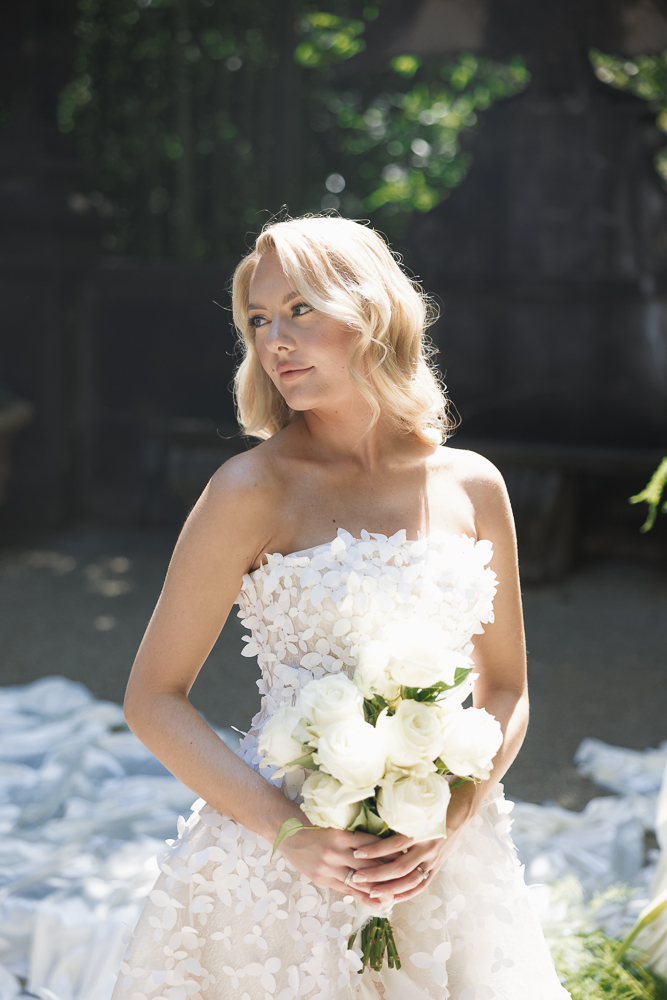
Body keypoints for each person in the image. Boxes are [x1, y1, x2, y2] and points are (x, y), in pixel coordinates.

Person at [111, 216, 570, 1000]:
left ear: (371, 311)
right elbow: (151, 699)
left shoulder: (472, 485)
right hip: (280, 863)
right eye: (258, 321)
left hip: (443, 864)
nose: (274, 340)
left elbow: (505, 689)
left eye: (299, 310)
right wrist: (292, 836)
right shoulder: (250, 489)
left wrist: (451, 815)